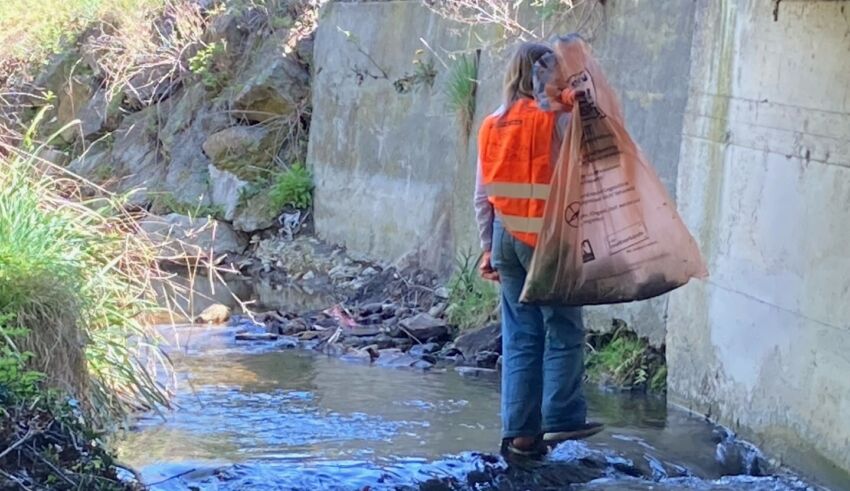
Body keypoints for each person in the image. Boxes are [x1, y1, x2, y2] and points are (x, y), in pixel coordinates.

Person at [473, 41, 603, 458]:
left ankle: (521, 434)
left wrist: (486, 248)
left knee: (521, 335)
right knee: (563, 328)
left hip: (506, 239)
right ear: (548, 76)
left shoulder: (492, 123)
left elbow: (482, 196)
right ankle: (562, 418)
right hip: (548, 240)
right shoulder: (558, 121)